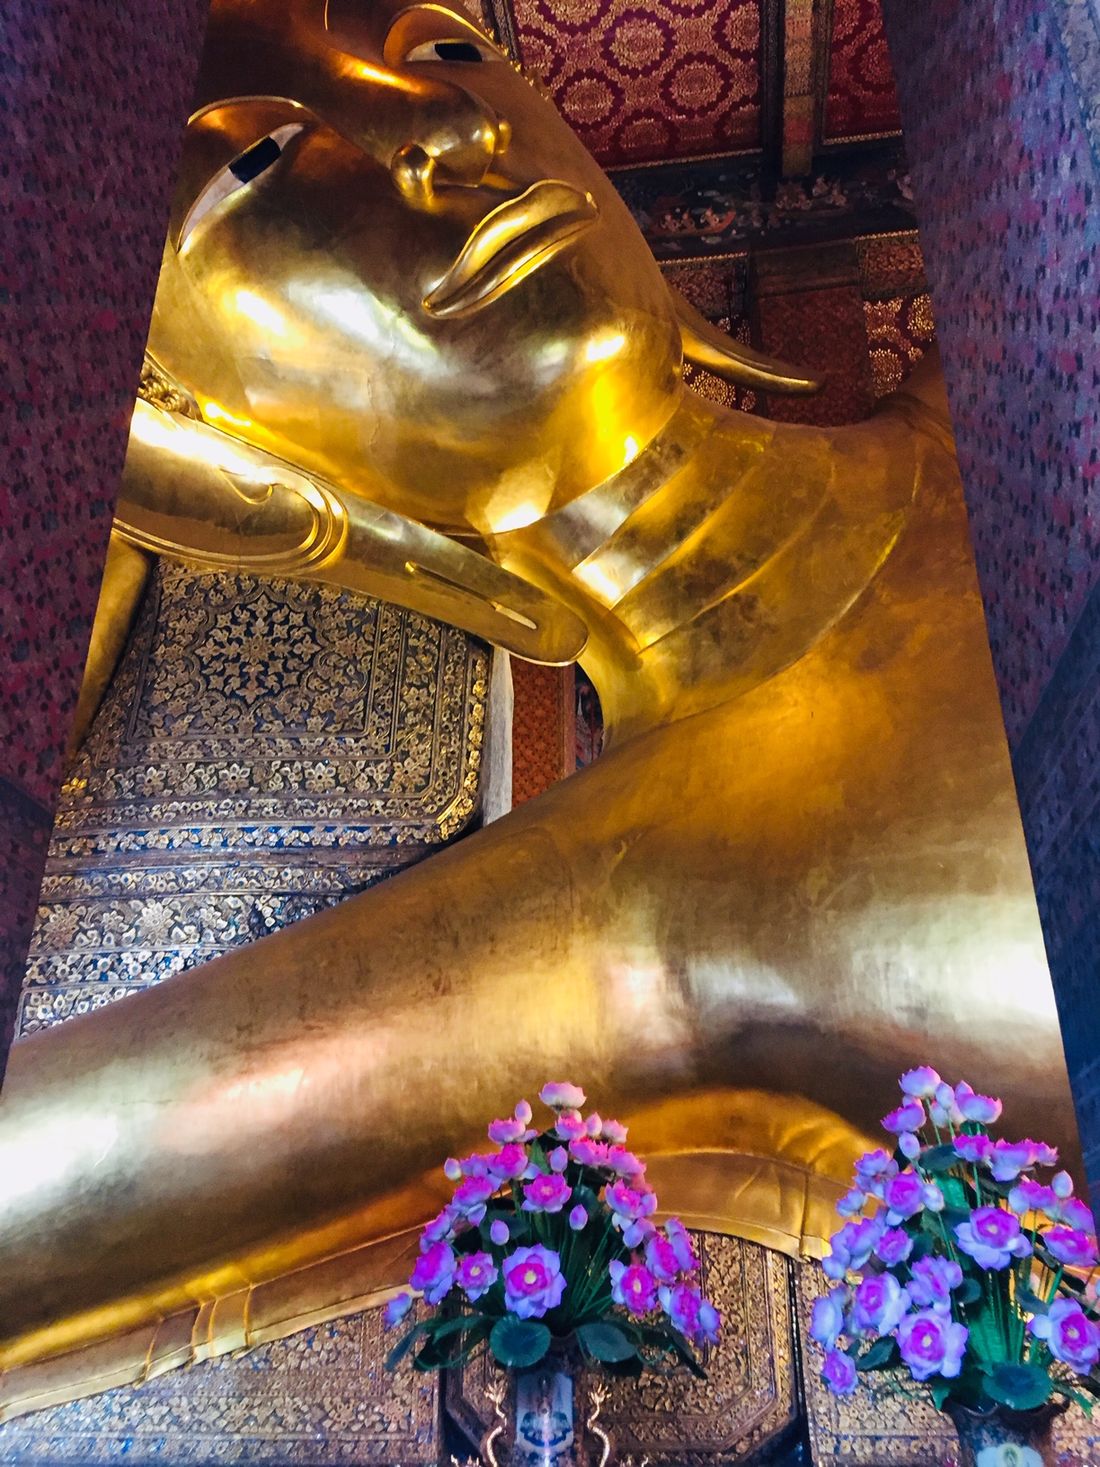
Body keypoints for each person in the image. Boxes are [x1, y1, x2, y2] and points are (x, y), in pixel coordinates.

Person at [0, 0, 1073, 1409]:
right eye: (259, 170)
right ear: (215, 466)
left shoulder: (1038, 379)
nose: (452, 130)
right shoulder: (638, 910)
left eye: (446, 50)